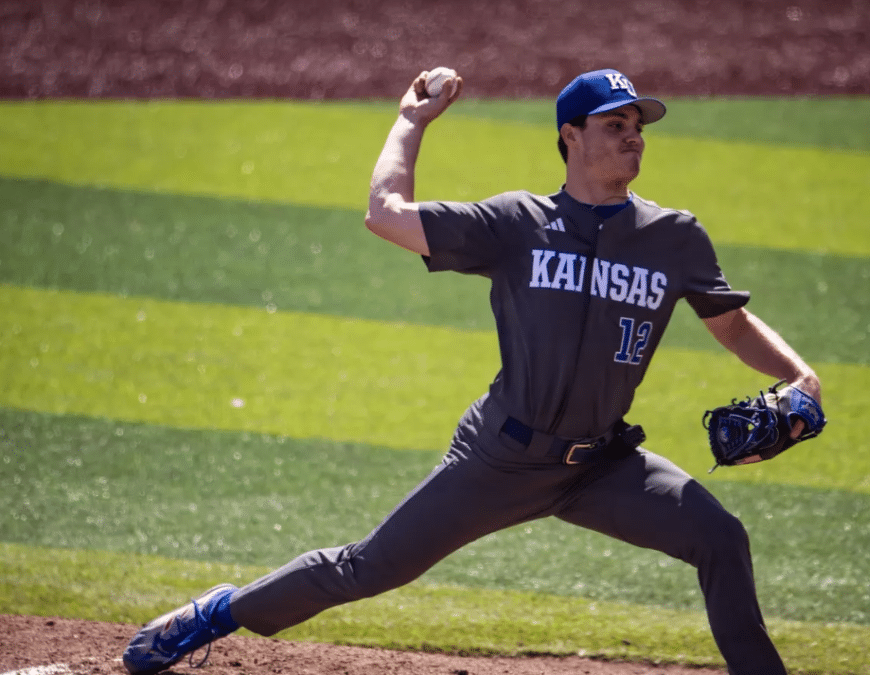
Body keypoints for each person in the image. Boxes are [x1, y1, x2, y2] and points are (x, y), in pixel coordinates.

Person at [122, 68, 821, 675]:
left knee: (721, 537)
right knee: (367, 567)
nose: (634, 134)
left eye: (639, 123)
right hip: (499, 457)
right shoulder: (517, 222)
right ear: (570, 136)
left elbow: (728, 320)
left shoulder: (674, 236)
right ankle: (218, 612)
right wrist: (410, 122)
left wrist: (799, 376)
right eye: (616, 123)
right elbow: (385, 215)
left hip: (604, 465)